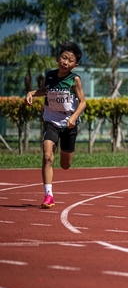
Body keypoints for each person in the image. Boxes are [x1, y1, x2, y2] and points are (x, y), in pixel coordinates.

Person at [25, 42, 87, 209]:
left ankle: (65, 152)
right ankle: (48, 195)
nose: (65, 62)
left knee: (65, 165)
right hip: (51, 122)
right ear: (58, 58)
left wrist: (74, 117)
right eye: (63, 58)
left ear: (75, 65)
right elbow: (46, 90)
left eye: (70, 60)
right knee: (47, 157)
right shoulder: (50, 75)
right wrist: (32, 93)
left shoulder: (74, 80)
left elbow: (83, 102)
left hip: (69, 125)